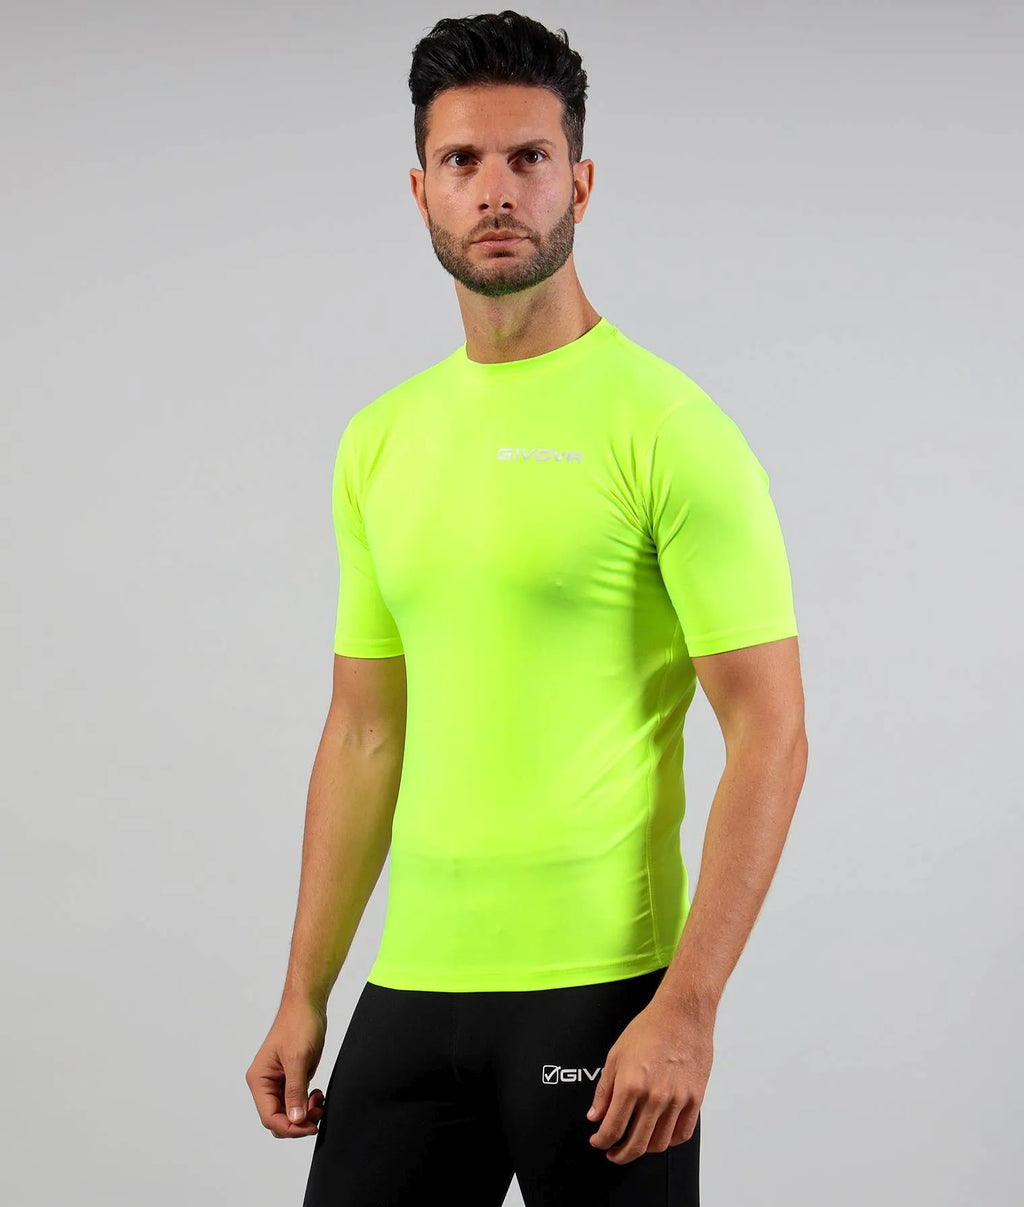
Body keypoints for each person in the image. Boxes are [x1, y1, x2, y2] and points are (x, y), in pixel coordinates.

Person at [245, 11, 808, 1205]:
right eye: (462, 160)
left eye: (528, 158)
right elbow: (363, 733)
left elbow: (771, 730)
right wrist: (304, 988)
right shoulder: (379, 441)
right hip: (413, 991)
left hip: (603, 999)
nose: (495, 190)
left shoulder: (668, 428)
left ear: (580, 183)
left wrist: (689, 1007)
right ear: (420, 190)